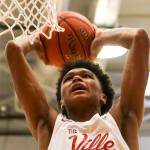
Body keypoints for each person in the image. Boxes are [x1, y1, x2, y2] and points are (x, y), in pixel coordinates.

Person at [5, 26, 149, 150]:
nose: (76, 78)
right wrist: (36, 39)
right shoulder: (50, 127)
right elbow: (13, 49)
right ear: (61, 102)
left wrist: (100, 36)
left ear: (103, 97)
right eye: (68, 79)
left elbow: (139, 38)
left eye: (87, 76)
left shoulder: (121, 120)